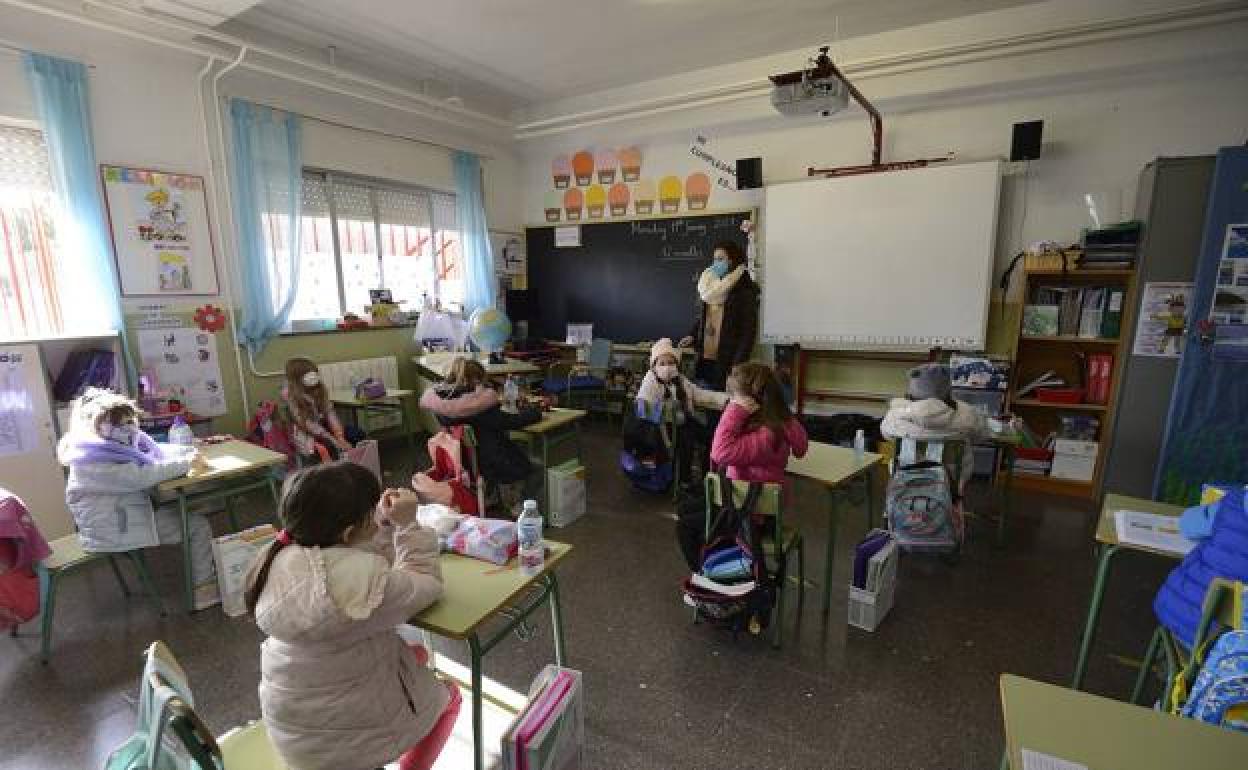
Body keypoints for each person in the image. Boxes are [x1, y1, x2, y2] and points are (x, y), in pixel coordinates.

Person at [246, 463, 460, 770]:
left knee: (417, 654)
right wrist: (408, 525)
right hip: (349, 744)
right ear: (348, 532)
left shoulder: (278, 557)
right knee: (450, 697)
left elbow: (348, 558)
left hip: (294, 733)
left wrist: (383, 524)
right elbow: (425, 583)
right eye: (369, 517)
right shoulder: (355, 580)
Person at [57, 388, 219, 610]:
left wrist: (191, 449)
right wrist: (186, 463)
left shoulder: (97, 447)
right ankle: (204, 591)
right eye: (121, 424)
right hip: (112, 528)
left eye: (129, 423)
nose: (129, 430)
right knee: (198, 526)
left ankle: (207, 576)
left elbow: (152, 451)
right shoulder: (92, 461)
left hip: (117, 516)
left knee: (182, 504)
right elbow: (140, 476)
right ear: (97, 426)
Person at [419, 358, 543, 514]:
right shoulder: (478, 405)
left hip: (465, 461)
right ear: (476, 379)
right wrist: (535, 412)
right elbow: (511, 421)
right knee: (537, 466)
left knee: (511, 446)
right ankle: (518, 506)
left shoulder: (441, 405)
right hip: (494, 461)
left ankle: (492, 495)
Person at [1153, 486, 1248, 648]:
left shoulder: (1234, 503)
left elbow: (1187, 525)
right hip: (1238, 652)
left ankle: (1177, 669)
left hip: (1189, 621)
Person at [880, 363, 991, 493]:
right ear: (947, 390)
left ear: (911, 390)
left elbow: (886, 435)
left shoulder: (896, 415)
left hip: (906, 472)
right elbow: (981, 437)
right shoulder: (968, 414)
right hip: (952, 477)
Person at [633, 338, 726, 485]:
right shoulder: (650, 381)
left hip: (684, 421)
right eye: (662, 363)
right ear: (654, 366)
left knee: (712, 438)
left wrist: (726, 400)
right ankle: (684, 481)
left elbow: (699, 394)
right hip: (662, 428)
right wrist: (667, 410)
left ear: (677, 364)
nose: (667, 367)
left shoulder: (680, 380)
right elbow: (642, 407)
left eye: (671, 363)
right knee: (686, 443)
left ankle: (707, 478)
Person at [679, 240, 760, 390]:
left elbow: (748, 333)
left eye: (721, 259)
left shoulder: (744, 291)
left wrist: (737, 365)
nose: (716, 263)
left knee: (722, 406)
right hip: (705, 358)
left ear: (732, 260)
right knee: (705, 403)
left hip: (728, 361)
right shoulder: (711, 288)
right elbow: (705, 317)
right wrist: (692, 335)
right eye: (715, 259)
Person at [710, 362, 809, 483]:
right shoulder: (784, 423)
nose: (732, 402)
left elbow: (719, 453)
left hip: (745, 499)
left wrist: (735, 410)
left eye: (734, 399)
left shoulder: (763, 437)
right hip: (771, 496)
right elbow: (800, 450)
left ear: (751, 401)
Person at [281, 357, 362, 462]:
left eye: (314, 373)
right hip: (305, 433)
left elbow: (330, 413)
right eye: (308, 374)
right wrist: (333, 440)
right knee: (328, 447)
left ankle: (354, 463)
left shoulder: (320, 388)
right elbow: (307, 424)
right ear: (297, 378)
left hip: (323, 427)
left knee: (356, 434)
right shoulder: (290, 395)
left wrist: (340, 436)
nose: (313, 377)